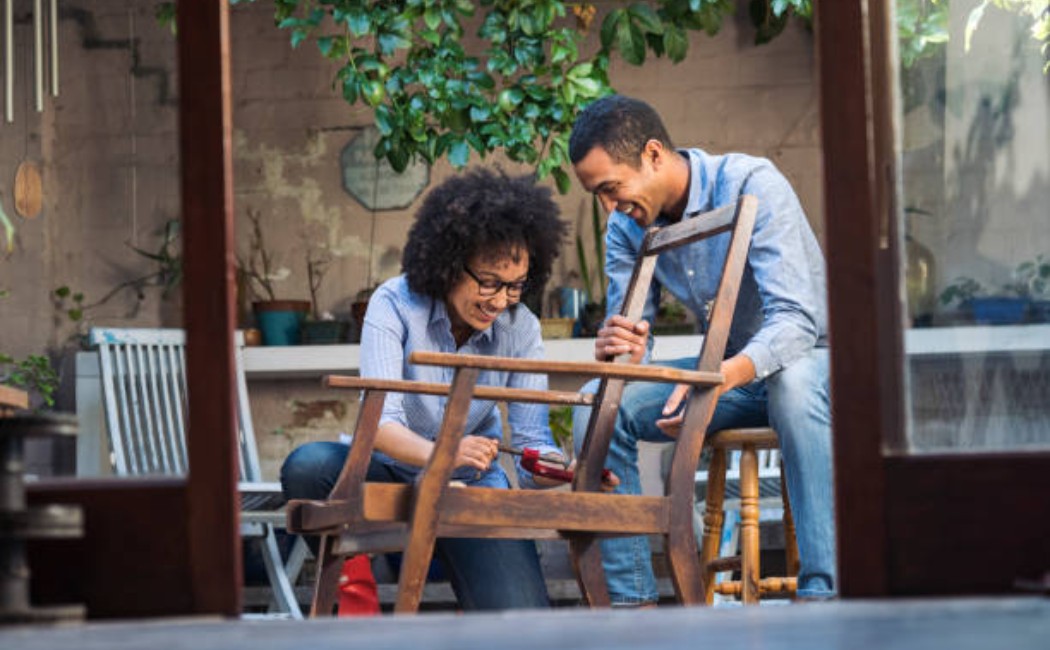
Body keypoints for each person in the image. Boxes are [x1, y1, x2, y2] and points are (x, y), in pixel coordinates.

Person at [566, 94, 835, 605]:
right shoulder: (627, 226)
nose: (608, 207)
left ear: (652, 154)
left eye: (610, 188)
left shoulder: (751, 183)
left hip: (814, 367)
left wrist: (715, 381)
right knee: (599, 407)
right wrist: (620, 351)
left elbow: (798, 321)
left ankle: (826, 596)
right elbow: (630, 346)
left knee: (793, 383)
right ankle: (631, 608)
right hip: (733, 376)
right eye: (596, 195)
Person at [281, 168, 572, 611]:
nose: (499, 301)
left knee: (524, 620)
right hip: (387, 474)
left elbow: (533, 448)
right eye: (489, 282)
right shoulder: (394, 303)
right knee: (308, 467)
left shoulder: (521, 327)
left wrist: (566, 470)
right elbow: (380, 425)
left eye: (515, 287)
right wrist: (443, 454)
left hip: (469, 487)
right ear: (450, 263)